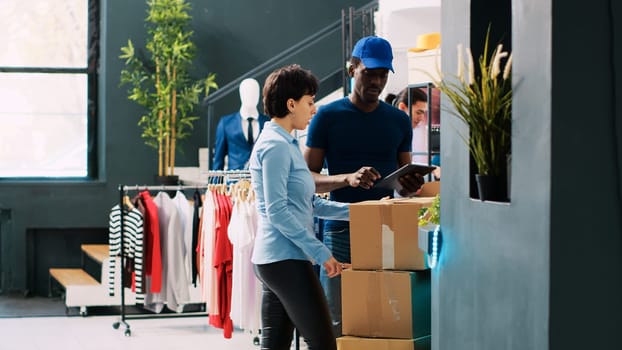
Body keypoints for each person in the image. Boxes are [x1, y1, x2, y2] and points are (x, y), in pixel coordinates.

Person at [304, 36, 425, 337]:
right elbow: (305, 180)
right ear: (352, 69)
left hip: (387, 228)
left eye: (383, 74)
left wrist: (410, 185)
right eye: (369, 72)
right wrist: (347, 177)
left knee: (385, 321)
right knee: (338, 321)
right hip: (340, 229)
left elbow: (404, 180)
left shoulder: (399, 120)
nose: (377, 80)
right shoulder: (327, 117)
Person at [249, 64, 349, 350]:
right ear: (291, 104)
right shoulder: (275, 147)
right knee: (322, 343)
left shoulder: (287, 143)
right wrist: (320, 252)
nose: (314, 109)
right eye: (310, 102)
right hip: (284, 259)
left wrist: (361, 212)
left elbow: (309, 203)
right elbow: (277, 211)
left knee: (277, 345)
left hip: (278, 259)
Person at [212, 78, 270, 170]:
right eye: (247, 92)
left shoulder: (268, 123)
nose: (251, 96)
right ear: (241, 94)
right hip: (234, 182)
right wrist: (214, 183)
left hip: (261, 181)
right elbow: (218, 160)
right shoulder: (226, 123)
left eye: (254, 92)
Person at [385, 87, 429, 164]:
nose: (421, 118)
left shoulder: (404, 133)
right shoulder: (388, 132)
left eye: (423, 113)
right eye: (418, 112)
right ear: (402, 108)